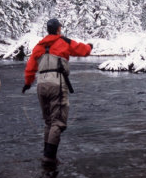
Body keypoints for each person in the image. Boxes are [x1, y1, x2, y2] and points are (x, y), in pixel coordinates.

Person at [22, 18, 93, 165]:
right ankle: (49, 158)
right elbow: (83, 50)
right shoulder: (64, 41)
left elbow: (30, 68)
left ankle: (46, 156)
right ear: (58, 29)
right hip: (57, 84)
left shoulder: (38, 46)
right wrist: (90, 46)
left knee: (49, 122)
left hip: (41, 85)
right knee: (58, 122)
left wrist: (28, 83)